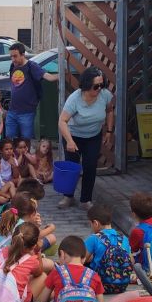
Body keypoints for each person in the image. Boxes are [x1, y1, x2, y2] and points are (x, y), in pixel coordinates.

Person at [57, 66, 115, 210]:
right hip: (73, 135)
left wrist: (109, 131)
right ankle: (68, 196)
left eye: (102, 85)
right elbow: (62, 121)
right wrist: (69, 141)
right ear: (87, 85)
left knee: (90, 166)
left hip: (93, 136)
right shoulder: (75, 99)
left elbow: (109, 111)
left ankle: (86, 200)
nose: (99, 88)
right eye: (96, 86)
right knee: (72, 166)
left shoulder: (105, 95)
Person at [37, 234, 105, 302]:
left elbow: (43, 300)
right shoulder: (94, 275)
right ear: (84, 259)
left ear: (62, 254)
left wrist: (54, 294)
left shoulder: (56, 272)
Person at [6, 42, 57, 140]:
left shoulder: (32, 66)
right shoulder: (13, 66)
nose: (13, 59)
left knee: (26, 141)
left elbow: (49, 77)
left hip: (26, 113)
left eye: (15, 56)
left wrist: (62, 75)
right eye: (11, 56)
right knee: (9, 140)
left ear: (23, 54)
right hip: (12, 111)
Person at [84, 203, 134, 294]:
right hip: (122, 285)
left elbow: (80, 260)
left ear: (96, 223)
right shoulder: (124, 238)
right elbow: (132, 261)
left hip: (100, 285)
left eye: (90, 224)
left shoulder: (94, 238)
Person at [0, 222, 48, 302]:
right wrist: (38, 252)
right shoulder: (32, 260)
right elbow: (39, 272)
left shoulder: (2, 251)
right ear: (34, 245)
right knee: (43, 276)